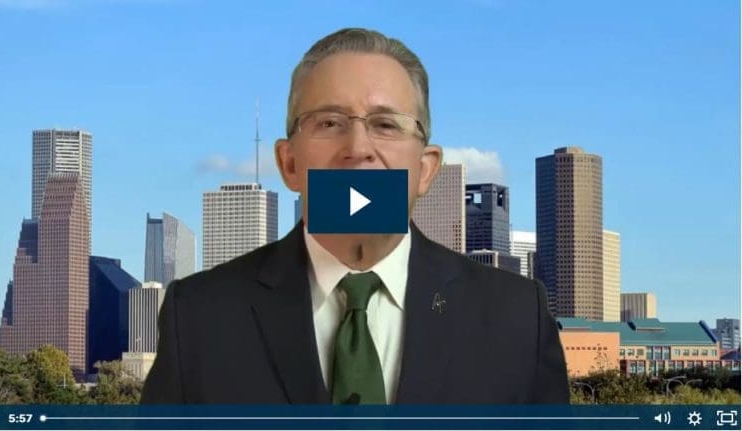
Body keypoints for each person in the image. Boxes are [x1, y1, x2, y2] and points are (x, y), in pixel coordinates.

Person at [141, 28, 569, 404]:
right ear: (289, 163)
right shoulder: (199, 317)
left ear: (425, 170)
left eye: (385, 124)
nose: (358, 147)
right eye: (329, 123)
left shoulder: (516, 318)